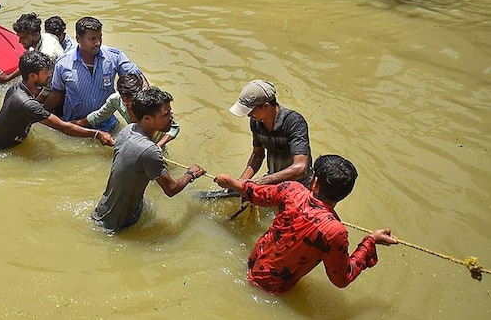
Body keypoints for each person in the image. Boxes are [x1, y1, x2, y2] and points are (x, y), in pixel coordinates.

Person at [214, 154, 398, 293]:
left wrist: (232, 182)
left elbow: (258, 194)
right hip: (273, 289)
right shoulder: (334, 231)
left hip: (253, 264)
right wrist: (370, 241)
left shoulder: (291, 190)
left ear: (315, 182)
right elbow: (342, 278)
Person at [92, 87, 204, 232]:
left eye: (170, 112)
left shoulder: (128, 130)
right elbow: (171, 189)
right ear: (147, 119)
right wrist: (191, 174)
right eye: (166, 114)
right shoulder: (149, 151)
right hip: (118, 223)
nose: (171, 117)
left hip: (103, 210)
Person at [0, 51, 114, 150]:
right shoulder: (28, 104)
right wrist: (97, 134)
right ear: (33, 76)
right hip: (0, 149)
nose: (50, 74)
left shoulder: (16, 89)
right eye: (46, 72)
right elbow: (63, 127)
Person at [43, 17, 144, 132]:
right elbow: (57, 93)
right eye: (92, 39)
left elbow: (138, 79)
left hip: (107, 124)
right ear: (78, 39)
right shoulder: (63, 64)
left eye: (99, 37)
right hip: (76, 126)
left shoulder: (114, 57)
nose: (97, 43)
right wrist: (41, 114)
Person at [228, 79, 313, 186]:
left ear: (266, 106)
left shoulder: (294, 122)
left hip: (300, 184)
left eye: (250, 111)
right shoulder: (256, 122)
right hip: (273, 180)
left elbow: (300, 168)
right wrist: (240, 182)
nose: (248, 115)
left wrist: (260, 182)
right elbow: (258, 155)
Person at [75, 73, 180, 149]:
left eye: (130, 100)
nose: (126, 104)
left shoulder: (151, 103)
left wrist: (159, 146)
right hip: (138, 145)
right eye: (123, 98)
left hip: (157, 146)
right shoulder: (116, 100)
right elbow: (98, 116)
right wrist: (74, 125)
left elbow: (174, 127)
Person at [0, 13, 65, 84]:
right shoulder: (45, 36)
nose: (19, 41)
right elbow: (28, 64)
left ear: (36, 35)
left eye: (23, 38)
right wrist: (8, 77)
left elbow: (48, 86)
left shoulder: (47, 54)